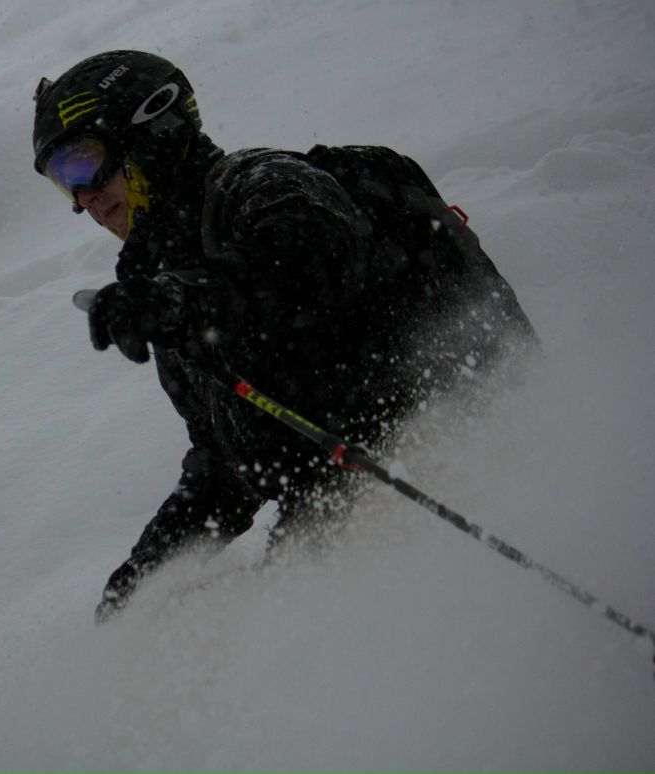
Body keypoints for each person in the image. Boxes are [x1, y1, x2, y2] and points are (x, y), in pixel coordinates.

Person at [31, 50, 539, 623]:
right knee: (184, 626)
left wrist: (186, 298)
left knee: (268, 629)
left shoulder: (261, 183)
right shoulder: (168, 286)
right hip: (339, 507)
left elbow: (311, 257)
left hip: (446, 454)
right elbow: (229, 460)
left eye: (84, 165)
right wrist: (149, 569)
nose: (83, 198)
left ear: (150, 134)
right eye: (62, 181)